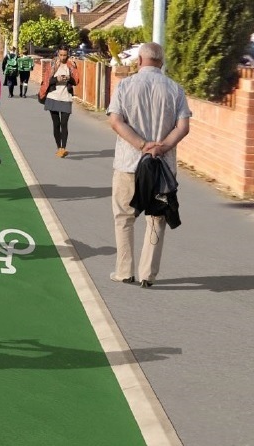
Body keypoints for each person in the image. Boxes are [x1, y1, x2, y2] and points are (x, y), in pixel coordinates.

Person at [107, 42, 191, 288]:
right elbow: (183, 127)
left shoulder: (125, 85)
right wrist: (161, 147)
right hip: (161, 168)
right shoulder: (175, 89)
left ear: (140, 61)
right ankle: (147, 275)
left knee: (124, 217)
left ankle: (124, 271)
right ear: (161, 62)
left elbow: (116, 121)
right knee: (156, 218)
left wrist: (141, 144)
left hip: (128, 163)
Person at [39, 44, 79, 158]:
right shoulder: (52, 64)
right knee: (56, 124)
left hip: (66, 97)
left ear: (68, 54)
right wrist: (57, 79)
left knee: (64, 124)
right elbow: (47, 81)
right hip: (53, 97)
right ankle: (58, 147)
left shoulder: (71, 65)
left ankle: (63, 148)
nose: (63, 57)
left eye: (65, 55)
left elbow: (76, 81)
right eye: (61, 55)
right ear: (58, 53)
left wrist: (68, 78)